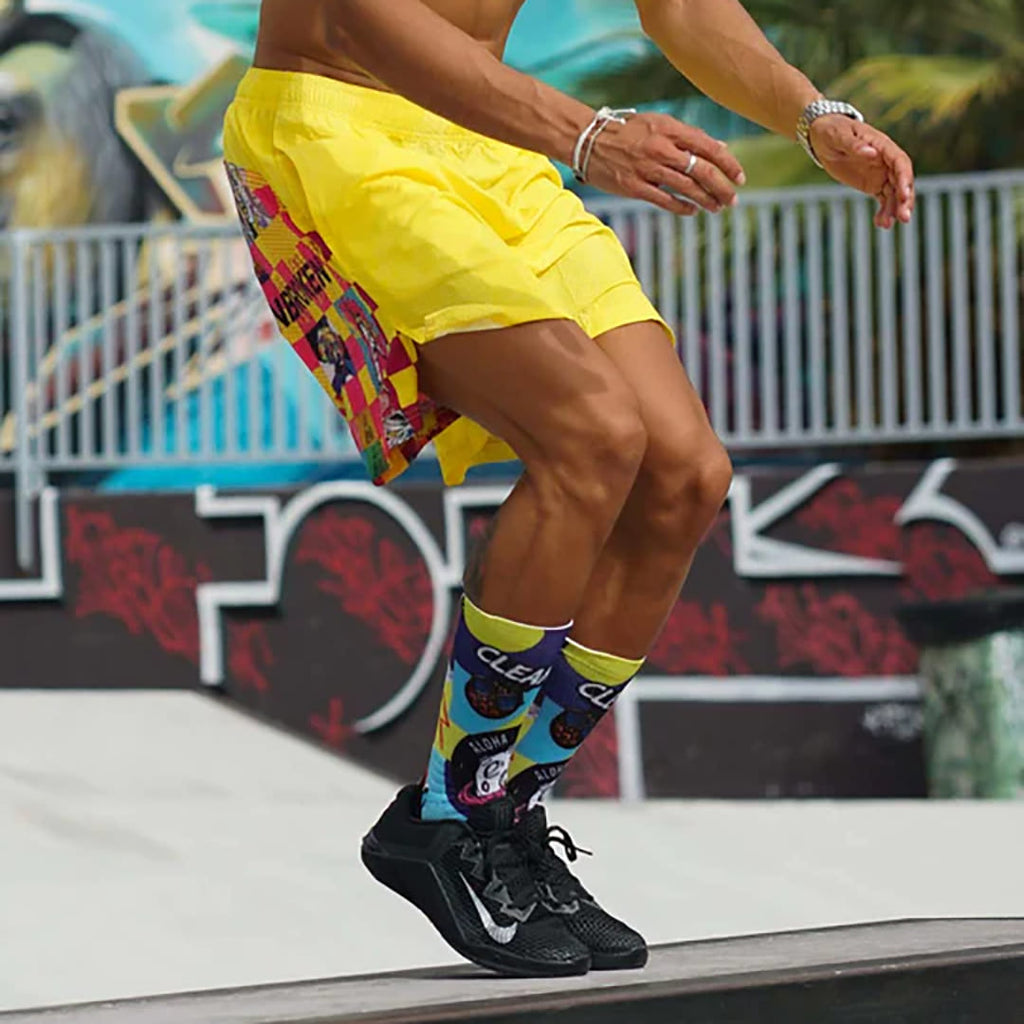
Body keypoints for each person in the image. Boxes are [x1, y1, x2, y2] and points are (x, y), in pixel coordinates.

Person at [222, 0, 915, 978]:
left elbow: (681, 6)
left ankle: (504, 818)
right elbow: (366, 17)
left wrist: (812, 115)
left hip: (492, 147)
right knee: (590, 436)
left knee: (683, 474)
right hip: (338, 132)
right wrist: (588, 136)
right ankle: (448, 813)